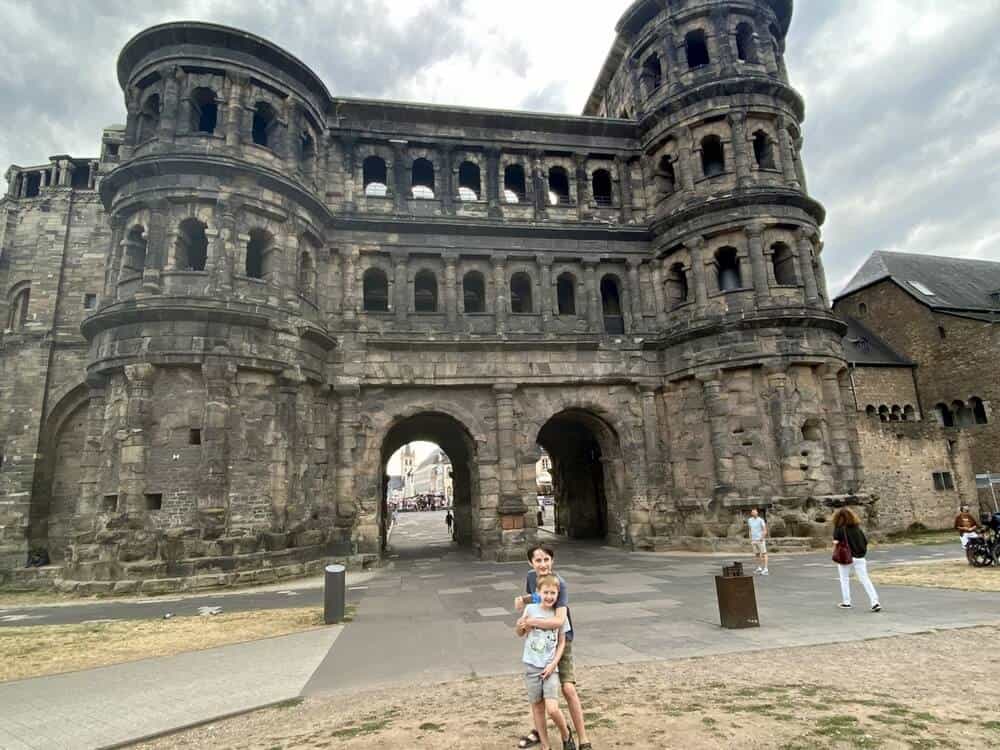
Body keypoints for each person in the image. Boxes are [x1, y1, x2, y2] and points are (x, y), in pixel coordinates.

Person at [514, 544, 591, 750]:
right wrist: (524, 600)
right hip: (541, 642)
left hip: (561, 639)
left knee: (568, 688)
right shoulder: (531, 577)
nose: (543, 564)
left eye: (546, 559)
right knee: (538, 695)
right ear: (531, 563)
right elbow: (539, 598)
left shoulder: (560, 583)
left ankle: (582, 738)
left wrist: (531, 623)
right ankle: (540, 731)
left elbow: (559, 620)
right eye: (538, 560)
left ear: (552, 560)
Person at [516, 574, 573, 750]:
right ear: (538, 593)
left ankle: (565, 733)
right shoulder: (531, 609)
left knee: (552, 708)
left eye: (553, 593)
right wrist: (522, 626)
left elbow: (562, 642)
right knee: (537, 707)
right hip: (532, 665)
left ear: (558, 594)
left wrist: (553, 664)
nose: (549, 596)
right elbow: (520, 632)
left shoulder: (559, 614)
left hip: (550, 667)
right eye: (546, 592)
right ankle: (545, 745)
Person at [832, 507, 881, 612]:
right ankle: (875, 602)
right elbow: (865, 542)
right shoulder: (857, 528)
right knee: (865, 579)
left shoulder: (839, 528)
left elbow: (836, 542)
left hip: (845, 557)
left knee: (844, 579)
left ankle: (847, 602)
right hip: (859, 557)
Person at [747, 508, 768, 575]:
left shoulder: (761, 520)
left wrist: (762, 537)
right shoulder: (749, 520)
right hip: (754, 540)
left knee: (764, 553)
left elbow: (765, 530)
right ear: (751, 513)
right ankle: (759, 568)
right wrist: (750, 538)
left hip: (760, 539)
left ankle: (765, 569)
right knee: (757, 554)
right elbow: (750, 529)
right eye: (752, 512)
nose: (754, 513)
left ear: (757, 513)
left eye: (755, 512)